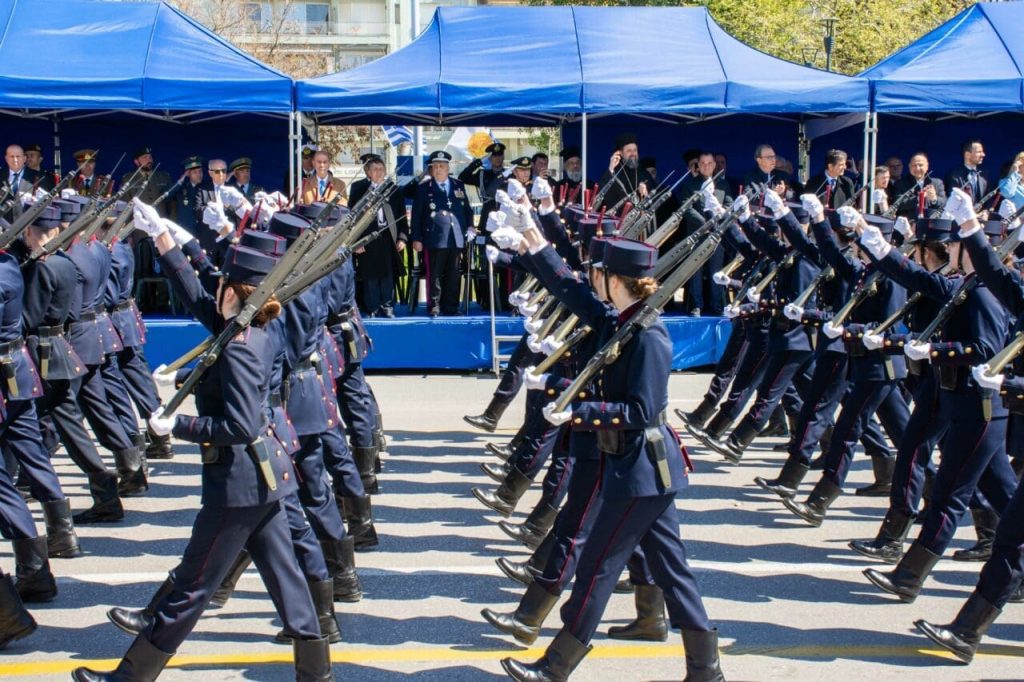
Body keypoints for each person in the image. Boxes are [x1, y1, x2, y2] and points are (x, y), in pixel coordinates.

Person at [72, 200, 334, 681]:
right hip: (268, 477)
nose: (214, 289)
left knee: (193, 584)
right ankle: (317, 677)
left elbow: (238, 427)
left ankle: (128, 678)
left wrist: (180, 425)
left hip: (238, 485)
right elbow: (198, 299)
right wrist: (166, 243)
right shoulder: (257, 327)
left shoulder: (239, 348)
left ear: (234, 293)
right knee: (290, 588)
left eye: (221, 283)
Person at [500, 223, 723, 681]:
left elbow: (641, 410)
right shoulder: (622, 321)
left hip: (639, 471)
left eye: (598, 273)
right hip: (644, 471)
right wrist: (534, 245)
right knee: (674, 573)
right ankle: (706, 671)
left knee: (596, 569)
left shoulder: (648, 335)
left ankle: (556, 667)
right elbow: (572, 293)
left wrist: (578, 411)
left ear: (615, 279)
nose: (592, 280)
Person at [410, 150, 473, 317]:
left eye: (442, 166)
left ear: (448, 168)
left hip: (456, 236)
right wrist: (416, 238)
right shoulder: (424, 188)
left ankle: (451, 306)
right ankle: (434, 305)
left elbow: (466, 210)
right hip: (434, 237)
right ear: (431, 169)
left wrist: (471, 227)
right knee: (435, 273)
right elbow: (416, 216)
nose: (439, 169)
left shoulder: (458, 185)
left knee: (453, 273)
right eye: (436, 166)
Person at [351, 154, 407, 318]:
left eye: (381, 169)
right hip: (367, 238)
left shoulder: (393, 189)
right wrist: (355, 242)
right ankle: (373, 306)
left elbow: (402, 216)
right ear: (368, 172)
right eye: (375, 169)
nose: (379, 172)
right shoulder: (359, 189)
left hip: (388, 236)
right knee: (370, 274)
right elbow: (353, 217)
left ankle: (387, 305)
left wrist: (402, 238)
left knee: (387, 273)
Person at [677, 151, 732, 316]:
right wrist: (705, 224)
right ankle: (696, 305)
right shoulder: (689, 185)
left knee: (716, 271)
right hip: (697, 234)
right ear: (698, 166)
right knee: (696, 270)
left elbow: (729, 205)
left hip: (718, 235)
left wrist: (719, 219)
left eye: (710, 163)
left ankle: (717, 305)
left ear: (715, 165)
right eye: (703, 163)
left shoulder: (723, 185)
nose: (707, 166)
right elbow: (686, 208)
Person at [598, 133, 652, 214]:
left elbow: (654, 200)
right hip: (620, 222)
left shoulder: (645, 174)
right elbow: (604, 196)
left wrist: (646, 195)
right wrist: (611, 168)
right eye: (629, 151)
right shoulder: (614, 173)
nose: (633, 154)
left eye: (635, 150)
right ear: (621, 153)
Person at [120, 147, 172, 216]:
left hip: (161, 222)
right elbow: (125, 204)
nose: (149, 160)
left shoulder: (164, 177)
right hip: (138, 223)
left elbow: (172, 203)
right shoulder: (128, 179)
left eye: (150, 157)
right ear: (136, 162)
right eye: (145, 157)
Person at [892, 152, 945, 219]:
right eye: (914, 165)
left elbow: (945, 204)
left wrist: (934, 198)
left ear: (927, 166)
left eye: (920, 165)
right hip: (909, 223)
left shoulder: (937, 183)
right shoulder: (901, 183)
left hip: (931, 222)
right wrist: (919, 198)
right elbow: (897, 204)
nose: (917, 168)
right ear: (909, 166)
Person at [944, 138, 988, 206]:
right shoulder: (954, 175)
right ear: (967, 155)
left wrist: (986, 212)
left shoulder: (984, 175)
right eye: (979, 152)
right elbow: (954, 201)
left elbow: (989, 199)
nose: (983, 155)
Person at [168, 156, 204, 236]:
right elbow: (167, 195)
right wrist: (181, 179)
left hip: (203, 232)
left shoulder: (206, 188)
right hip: (186, 232)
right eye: (194, 172)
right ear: (188, 174)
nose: (199, 175)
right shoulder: (181, 189)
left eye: (200, 171)